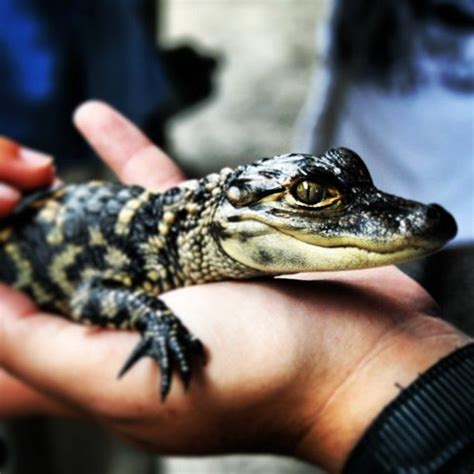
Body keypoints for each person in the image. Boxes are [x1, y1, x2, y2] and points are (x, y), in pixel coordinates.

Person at [0, 102, 473, 473]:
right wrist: (153, 319)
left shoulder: (181, 237)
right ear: (233, 212)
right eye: (309, 197)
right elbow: (90, 296)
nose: (411, 218)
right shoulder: (148, 251)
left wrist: (355, 373)